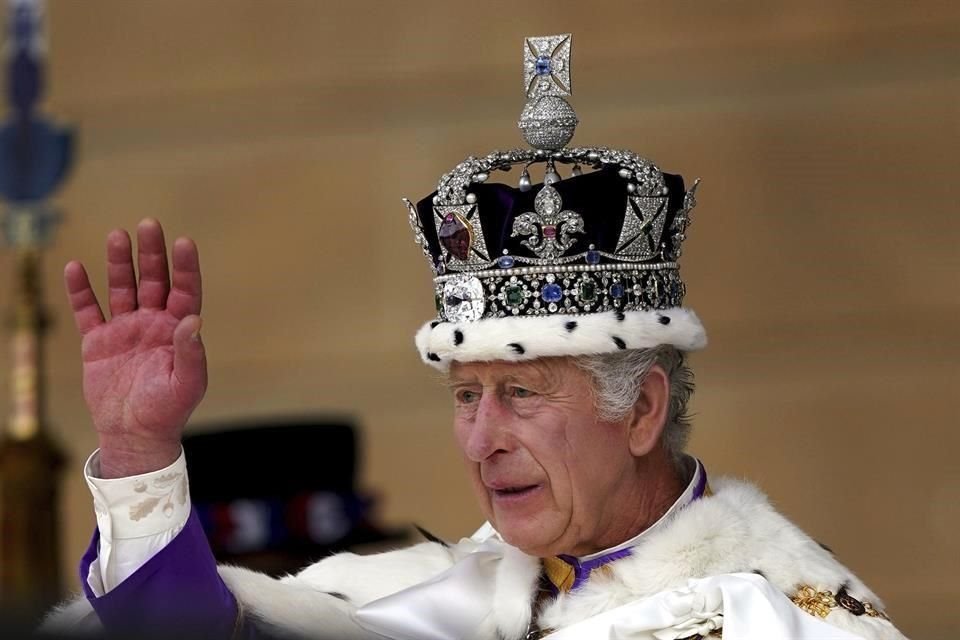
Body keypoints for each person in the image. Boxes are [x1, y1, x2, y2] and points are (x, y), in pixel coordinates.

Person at [44, 35, 908, 640]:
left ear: (641, 410)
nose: (482, 440)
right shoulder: (447, 599)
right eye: (466, 395)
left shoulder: (778, 617)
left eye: (522, 394)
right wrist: (137, 448)